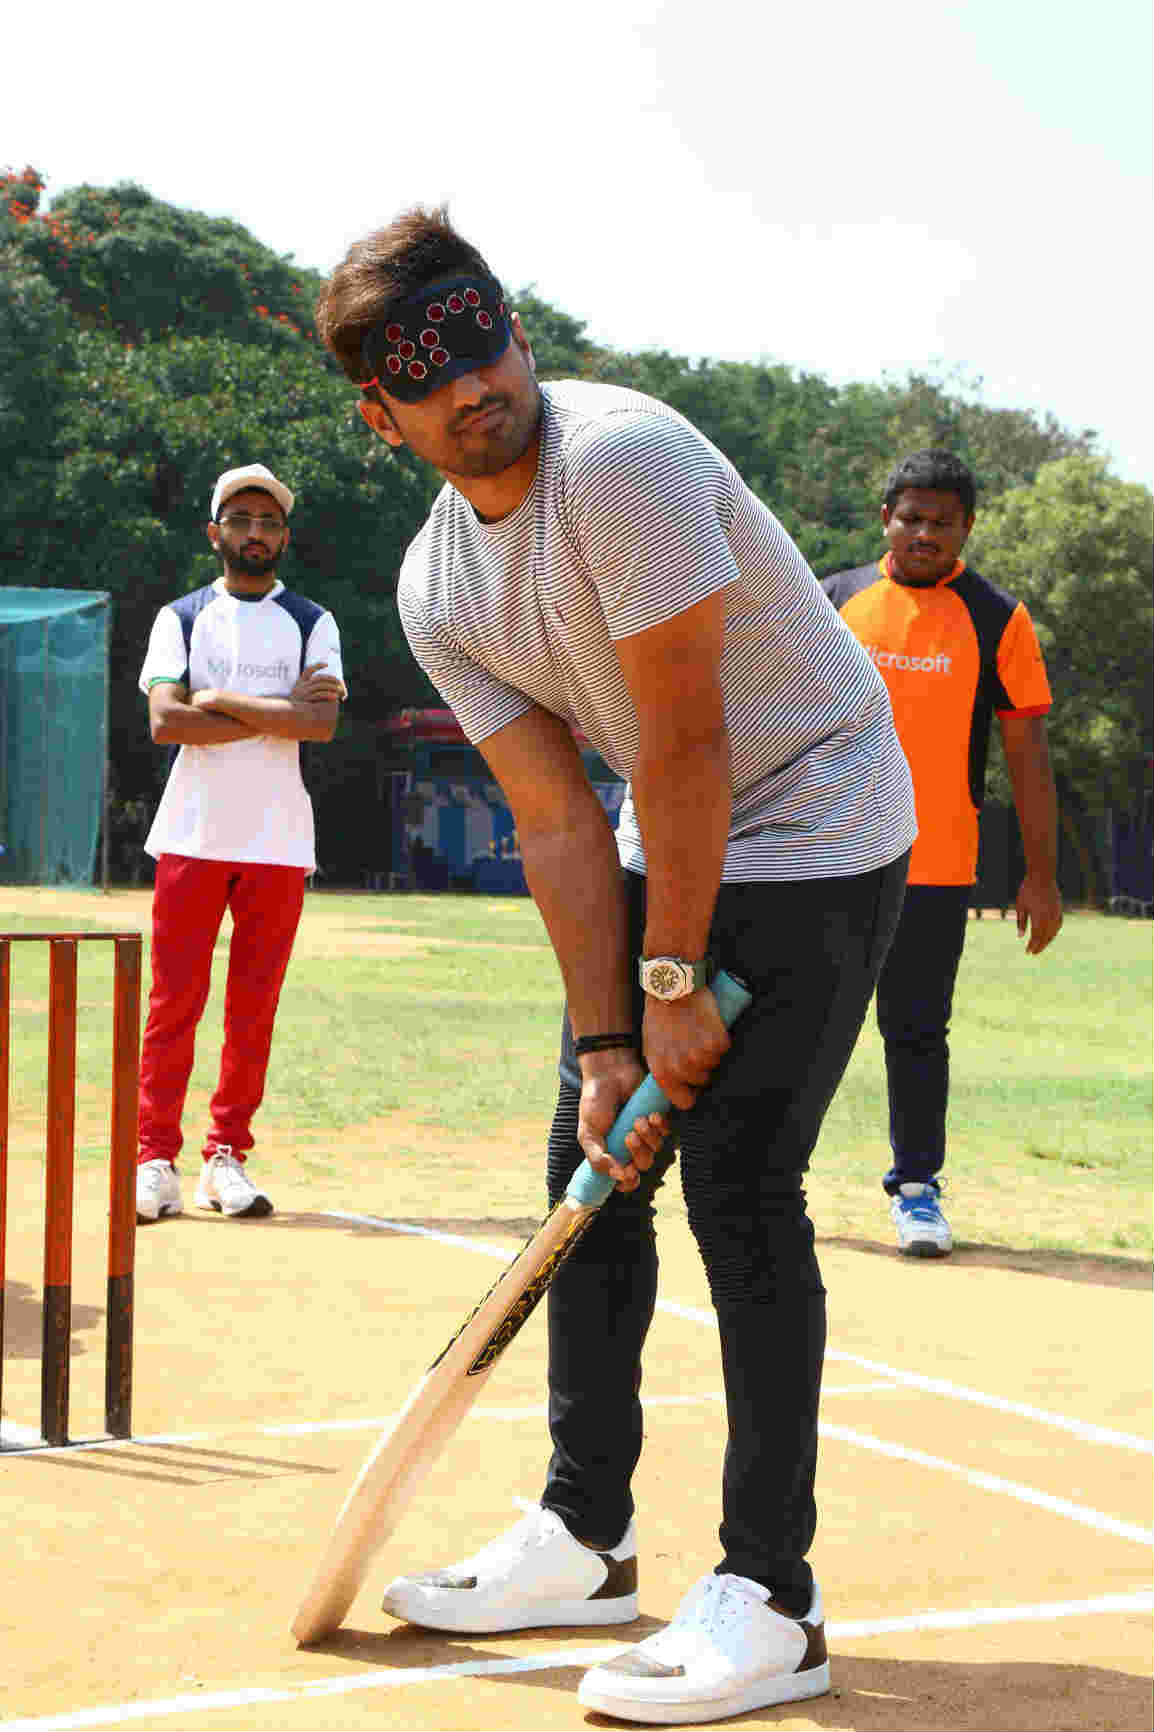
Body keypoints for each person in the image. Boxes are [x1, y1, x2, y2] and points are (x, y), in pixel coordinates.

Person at [315, 207, 916, 1725]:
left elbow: (697, 734)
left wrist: (670, 992)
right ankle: (585, 1534)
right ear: (380, 418)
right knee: (591, 1160)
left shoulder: (620, 461)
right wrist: (606, 1038)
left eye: (476, 333)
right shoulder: (435, 586)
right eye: (417, 370)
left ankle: (774, 1598)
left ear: (511, 325)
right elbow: (554, 818)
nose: (468, 380)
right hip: (675, 821)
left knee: (737, 1177)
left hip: (825, 805)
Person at [822, 451, 1062, 1258]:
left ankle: (917, 1189)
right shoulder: (835, 602)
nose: (924, 534)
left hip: (935, 866)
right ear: (885, 517)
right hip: (830, 856)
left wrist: (1042, 874)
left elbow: (1027, 753)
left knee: (917, 1030)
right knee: (804, 1023)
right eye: (911, 518)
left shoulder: (998, 617)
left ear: (967, 527)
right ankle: (768, 1176)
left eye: (942, 522)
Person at [134, 464, 345, 1225]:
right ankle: (153, 1158)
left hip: (278, 839)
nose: (256, 533)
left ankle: (226, 1159)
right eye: (241, 519)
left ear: (284, 537)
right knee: (173, 1004)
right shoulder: (181, 617)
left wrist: (217, 698)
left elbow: (319, 724)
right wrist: (275, 710)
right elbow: (166, 722)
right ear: (214, 532)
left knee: (251, 1011)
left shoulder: (313, 621)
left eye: (269, 522)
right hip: (192, 832)